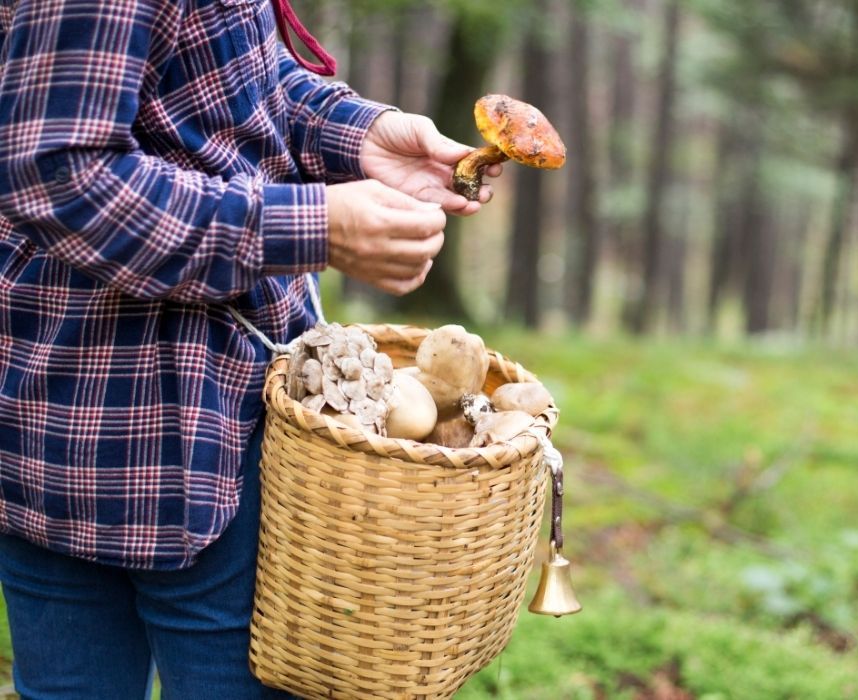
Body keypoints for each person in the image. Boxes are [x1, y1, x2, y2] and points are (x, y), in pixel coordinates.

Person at [0, 0, 500, 697]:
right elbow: (60, 173)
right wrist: (308, 225)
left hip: (112, 408)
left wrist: (359, 134)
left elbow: (219, 84)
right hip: (178, 428)